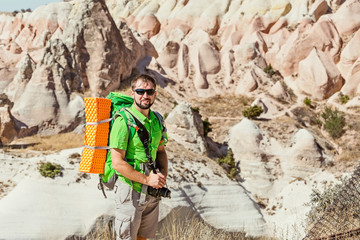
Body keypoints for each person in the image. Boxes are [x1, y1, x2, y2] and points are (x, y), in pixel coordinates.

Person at [109, 74, 168, 240]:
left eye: (149, 91)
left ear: (155, 94)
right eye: (140, 91)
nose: (145, 96)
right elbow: (117, 163)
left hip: (152, 191)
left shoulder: (157, 120)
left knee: (144, 237)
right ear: (132, 93)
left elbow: (161, 151)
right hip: (130, 191)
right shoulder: (123, 121)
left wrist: (161, 175)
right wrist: (147, 180)